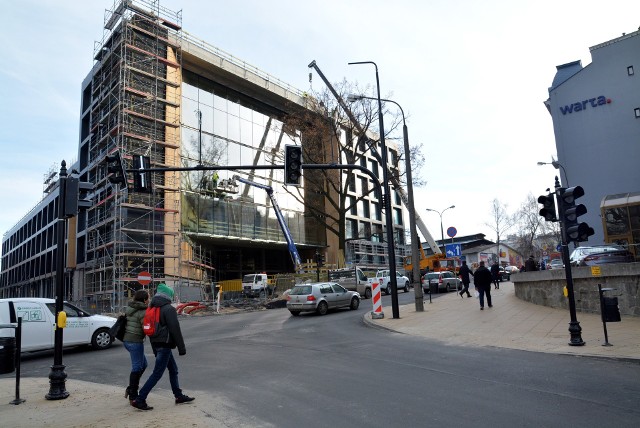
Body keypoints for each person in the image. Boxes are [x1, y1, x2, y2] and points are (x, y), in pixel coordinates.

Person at [131, 283, 194, 411]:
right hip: (165, 346)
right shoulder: (168, 309)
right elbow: (175, 329)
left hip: (157, 344)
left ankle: (178, 395)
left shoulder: (152, 307)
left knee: (173, 369)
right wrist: (182, 348)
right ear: (168, 296)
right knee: (157, 373)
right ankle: (140, 399)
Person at [123, 289, 150, 402]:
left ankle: (131, 389)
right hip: (135, 341)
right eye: (148, 298)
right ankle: (133, 394)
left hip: (127, 340)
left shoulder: (130, 308)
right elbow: (145, 328)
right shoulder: (143, 311)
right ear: (144, 300)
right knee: (137, 367)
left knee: (143, 364)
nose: (149, 300)